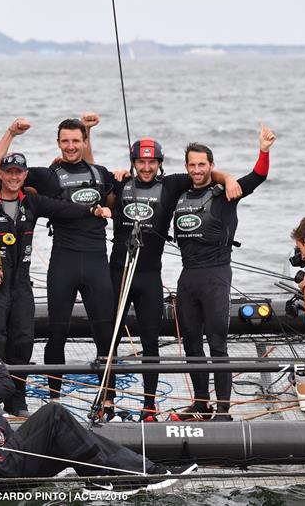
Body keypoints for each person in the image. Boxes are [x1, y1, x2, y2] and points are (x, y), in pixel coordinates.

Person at [0, 328, 197, 492]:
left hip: (1, 459)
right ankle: (113, 477)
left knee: (69, 436)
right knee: (54, 413)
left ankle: (142, 473)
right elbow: (5, 385)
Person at [0, 117, 117, 411]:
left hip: (97, 261)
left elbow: (109, 195)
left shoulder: (101, 172)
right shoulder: (47, 175)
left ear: (85, 142)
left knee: (105, 335)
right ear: (58, 143)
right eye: (65, 141)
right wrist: (10, 133)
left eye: (76, 141)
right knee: (57, 333)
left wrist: (115, 182)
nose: (70, 146)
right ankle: (54, 400)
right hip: (63, 261)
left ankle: (107, 399)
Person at [109, 138, 241, 421]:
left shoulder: (170, 185)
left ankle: (149, 408)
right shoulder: (120, 182)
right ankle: (108, 402)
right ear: (133, 163)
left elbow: (203, 174)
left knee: (151, 343)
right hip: (120, 272)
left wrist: (229, 177)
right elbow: (96, 192)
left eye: (151, 162)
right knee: (111, 340)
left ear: (159, 164)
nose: (146, 167)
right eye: (140, 162)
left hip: (151, 276)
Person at [172, 126, 275, 422]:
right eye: (191, 165)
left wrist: (263, 151)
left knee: (217, 344)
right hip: (187, 276)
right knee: (191, 343)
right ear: (186, 167)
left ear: (211, 166)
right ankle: (201, 404)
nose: (196, 170)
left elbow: (257, 177)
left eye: (202, 164)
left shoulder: (225, 194)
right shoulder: (180, 192)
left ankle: (223, 410)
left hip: (216, 274)